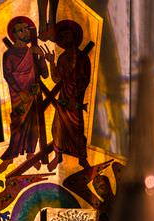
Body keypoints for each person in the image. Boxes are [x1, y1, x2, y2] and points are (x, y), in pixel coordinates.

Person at [0, 16, 48, 173]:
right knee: (18, 125)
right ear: (14, 34)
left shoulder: (33, 51)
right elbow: (8, 76)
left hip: (34, 95)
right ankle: (10, 157)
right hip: (19, 98)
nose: (25, 32)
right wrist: (20, 93)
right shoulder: (9, 55)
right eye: (21, 30)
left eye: (26, 29)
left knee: (35, 125)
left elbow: (44, 74)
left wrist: (41, 56)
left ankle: (31, 154)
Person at [42, 19, 91, 170]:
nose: (65, 39)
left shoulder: (83, 58)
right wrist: (51, 62)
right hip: (63, 99)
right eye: (62, 37)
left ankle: (82, 158)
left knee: (77, 129)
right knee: (58, 127)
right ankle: (58, 156)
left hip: (75, 100)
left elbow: (86, 79)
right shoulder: (62, 58)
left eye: (67, 35)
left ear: (74, 37)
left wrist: (76, 95)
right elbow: (57, 78)